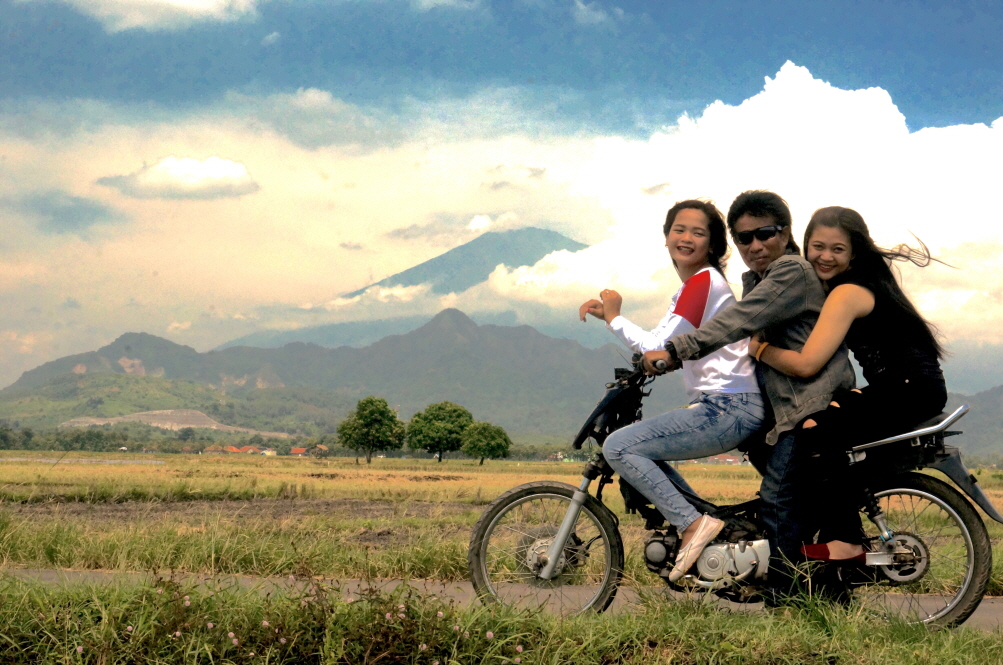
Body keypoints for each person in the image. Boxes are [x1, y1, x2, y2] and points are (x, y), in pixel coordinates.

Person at [642, 191, 857, 592]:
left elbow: (740, 321)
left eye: (765, 234)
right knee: (788, 506)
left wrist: (677, 348)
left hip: (806, 407)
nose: (755, 246)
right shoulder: (757, 279)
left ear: (786, 232)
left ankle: (788, 599)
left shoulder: (791, 271)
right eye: (744, 239)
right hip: (782, 411)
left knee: (776, 500)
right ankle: (822, 590)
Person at [578, 199, 764, 581]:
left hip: (729, 405)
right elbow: (664, 344)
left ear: (713, 245)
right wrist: (614, 322)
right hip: (726, 404)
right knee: (641, 450)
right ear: (666, 238)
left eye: (699, 232)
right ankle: (703, 525)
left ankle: (693, 525)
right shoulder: (693, 289)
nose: (686, 238)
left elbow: (656, 346)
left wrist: (614, 316)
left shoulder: (704, 282)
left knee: (619, 446)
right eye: (679, 229)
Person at [749, 206, 946, 562]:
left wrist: (759, 349)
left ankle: (846, 540)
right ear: (805, 245)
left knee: (815, 430)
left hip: (907, 389)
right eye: (818, 246)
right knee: (834, 424)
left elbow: (807, 364)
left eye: (837, 249)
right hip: (905, 386)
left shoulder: (848, 292)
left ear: (853, 252)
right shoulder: (860, 284)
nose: (825, 256)